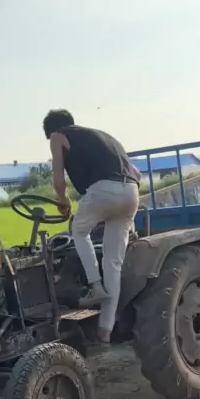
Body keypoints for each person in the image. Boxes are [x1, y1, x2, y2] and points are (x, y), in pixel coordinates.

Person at [43, 108, 141, 346]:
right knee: (113, 263)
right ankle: (105, 330)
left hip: (103, 190)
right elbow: (137, 174)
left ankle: (95, 285)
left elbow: (58, 181)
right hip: (131, 192)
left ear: (51, 131)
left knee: (78, 230)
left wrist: (64, 202)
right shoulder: (103, 137)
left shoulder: (58, 136)